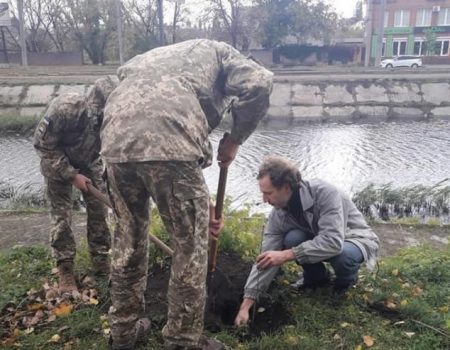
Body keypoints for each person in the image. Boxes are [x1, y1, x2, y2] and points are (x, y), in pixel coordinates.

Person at [100, 39, 273, 350]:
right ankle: (181, 340)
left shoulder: (150, 57)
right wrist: (235, 139)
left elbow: (148, 119)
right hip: (172, 148)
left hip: (115, 144)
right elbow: (260, 82)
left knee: (128, 240)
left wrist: (201, 205)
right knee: (190, 248)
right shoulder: (221, 53)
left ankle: (124, 333)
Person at [234, 156, 380, 326]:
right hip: (323, 238)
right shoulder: (278, 214)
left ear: (287, 188)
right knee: (292, 238)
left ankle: (344, 283)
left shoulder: (325, 193)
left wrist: (287, 255)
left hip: (354, 238)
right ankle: (317, 279)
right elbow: (265, 259)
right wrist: (246, 305)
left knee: (343, 256)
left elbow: (332, 242)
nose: (264, 200)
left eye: (268, 193)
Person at [34, 76, 118, 293]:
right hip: (57, 165)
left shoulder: (114, 117)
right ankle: (65, 269)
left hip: (90, 162)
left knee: (99, 211)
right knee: (62, 217)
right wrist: (71, 175)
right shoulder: (65, 109)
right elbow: (43, 146)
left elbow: (110, 148)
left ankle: (101, 261)